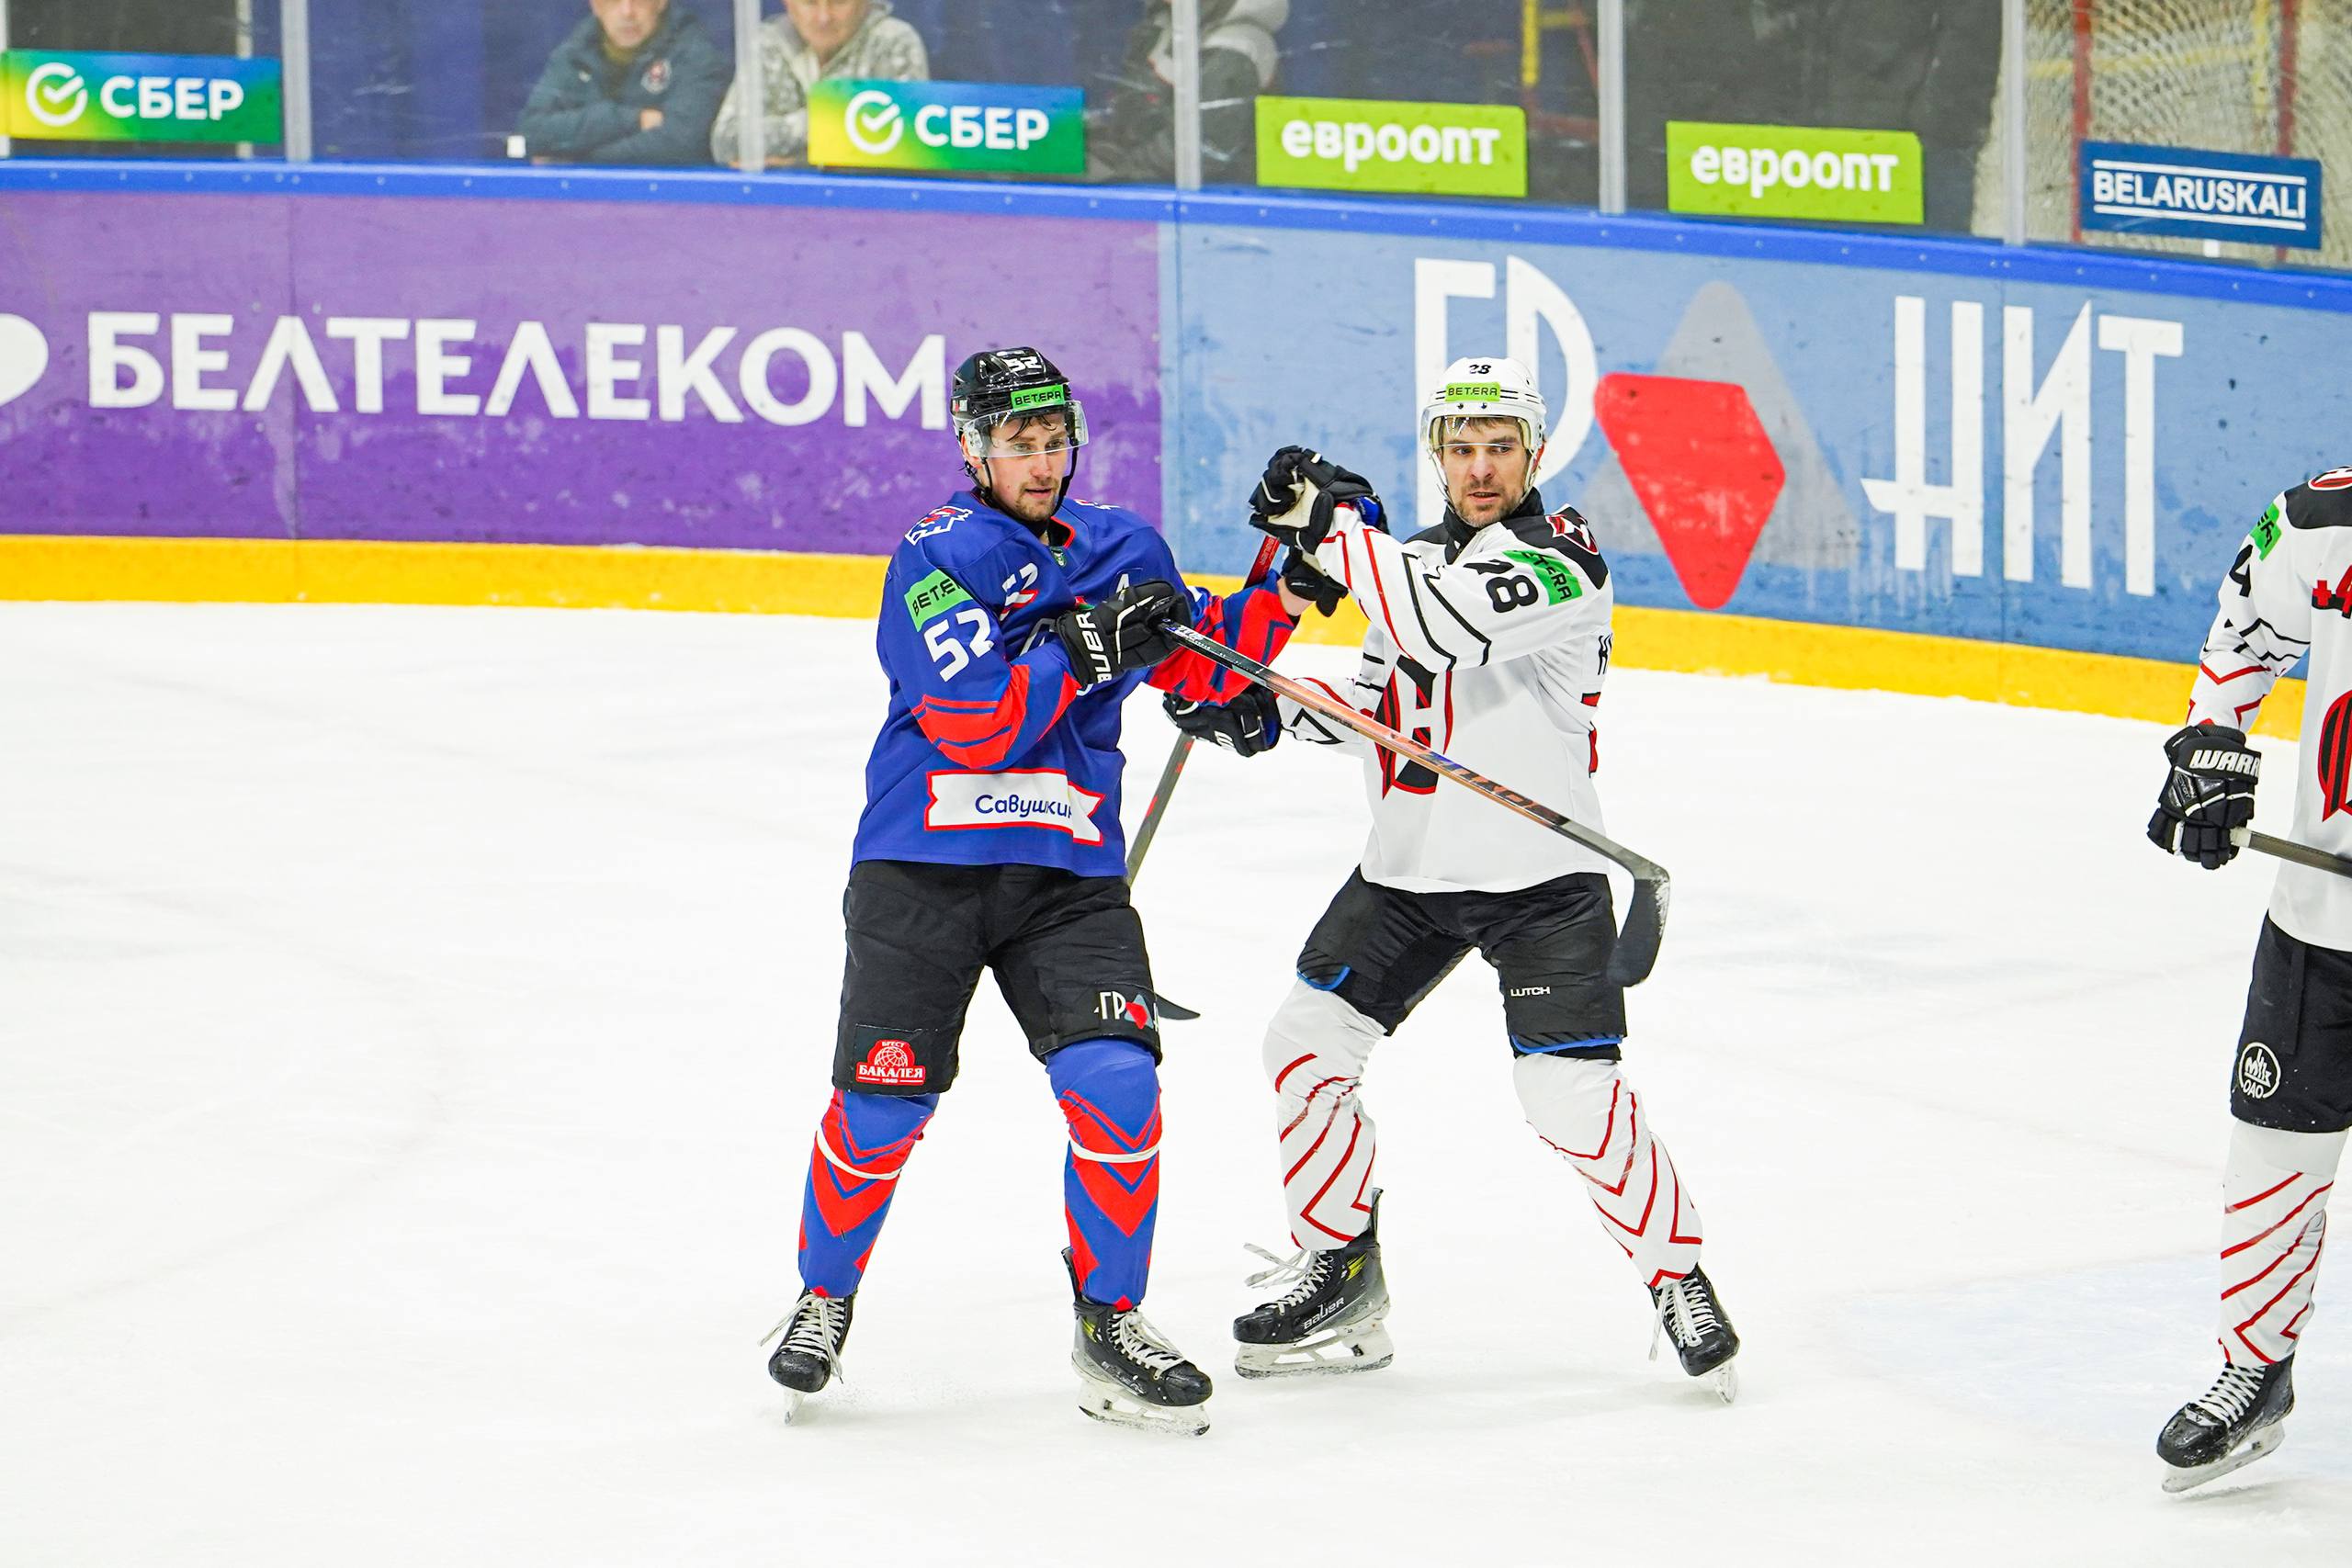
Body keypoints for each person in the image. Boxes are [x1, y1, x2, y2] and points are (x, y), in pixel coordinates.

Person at [1169, 356, 1742, 1399]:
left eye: (1501, 447)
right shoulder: (1412, 563)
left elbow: (1437, 627)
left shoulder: (1563, 562)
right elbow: (1383, 703)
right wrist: (1270, 706)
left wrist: (1336, 529)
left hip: (1541, 879)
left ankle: (1678, 1276)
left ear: (1534, 452)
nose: (1481, 467)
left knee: (1566, 1096)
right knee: (1304, 1045)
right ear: (1437, 452)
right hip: (1409, 873)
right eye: (1461, 446)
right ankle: (1339, 1271)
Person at [762, 346, 1309, 1435]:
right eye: (1019, 443)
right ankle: (823, 1299)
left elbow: (1207, 666)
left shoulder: (1124, 547)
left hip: (1068, 874)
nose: (1044, 462)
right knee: (882, 1107)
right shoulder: (933, 555)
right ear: (973, 449)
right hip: (922, 864)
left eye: (1056, 440)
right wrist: (1080, 646)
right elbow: (979, 724)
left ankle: (1111, 1320)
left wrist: (1291, 578)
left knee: (1120, 1086)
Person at [2143, 465, 2352, 1490]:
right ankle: (2254, 1370)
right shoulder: (2327, 516)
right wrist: (2214, 743)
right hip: (2323, 914)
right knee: (2274, 1139)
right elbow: (2248, 623)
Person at [708, 0, 929, 169]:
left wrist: (793, 163)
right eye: (810, 3)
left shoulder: (894, 42)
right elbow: (728, 142)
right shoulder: (768, 43)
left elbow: (908, 146)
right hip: (780, 205)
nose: (824, 18)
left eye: (839, 2)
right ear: (788, 3)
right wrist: (845, 125)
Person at [1091, 0, 1287, 185]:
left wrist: (1116, 172)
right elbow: (1131, 116)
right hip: (1151, 178)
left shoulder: (1236, 46)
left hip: (1214, 196)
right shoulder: (1168, 24)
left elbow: (1201, 152)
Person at [517, 0, 729, 167]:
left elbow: (684, 144)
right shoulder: (575, 53)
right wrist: (631, 120)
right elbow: (532, 132)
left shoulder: (696, 54)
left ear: (661, 2)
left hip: (671, 201)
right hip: (580, 202)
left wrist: (578, 159)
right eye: (613, 1)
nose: (627, 12)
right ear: (596, 5)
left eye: (639, 0)